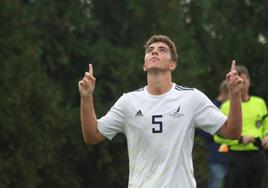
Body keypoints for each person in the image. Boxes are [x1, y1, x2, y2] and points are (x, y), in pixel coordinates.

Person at [78, 34, 243, 188]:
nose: (154, 51)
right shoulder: (128, 102)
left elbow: (232, 132)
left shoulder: (191, 98)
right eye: (150, 50)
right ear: (144, 65)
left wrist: (234, 95)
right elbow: (92, 136)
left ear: (173, 64)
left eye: (162, 50)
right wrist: (86, 98)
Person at [214, 65, 268, 188]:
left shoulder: (259, 102)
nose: (242, 84)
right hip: (236, 156)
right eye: (238, 81)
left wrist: (266, 135)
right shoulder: (226, 106)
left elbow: (266, 124)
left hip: (257, 155)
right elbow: (217, 137)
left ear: (249, 81)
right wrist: (239, 139)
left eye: (243, 81)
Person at [196, 80, 229, 188]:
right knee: (216, 183)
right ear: (225, 92)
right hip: (217, 155)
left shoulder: (229, 107)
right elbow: (200, 130)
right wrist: (218, 134)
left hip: (231, 156)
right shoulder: (211, 107)